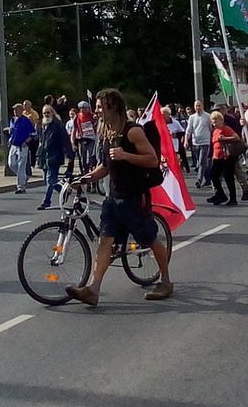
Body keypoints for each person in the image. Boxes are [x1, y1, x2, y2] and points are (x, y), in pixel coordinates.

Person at [63, 89, 175, 306]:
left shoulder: (132, 132)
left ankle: (167, 281)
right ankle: (93, 290)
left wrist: (126, 155)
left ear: (113, 107)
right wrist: (85, 178)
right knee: (104, 241)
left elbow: (152, 160)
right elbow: (106, 166)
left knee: (150, 239)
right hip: (114, 198)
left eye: (99, 106)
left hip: (134, 197)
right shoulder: (106, 131)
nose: (95, 111)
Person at [37, 104, 73, 209]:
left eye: (48, 112)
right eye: (44, 113)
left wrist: (69, 154)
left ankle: (46, 202)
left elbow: (65, 140)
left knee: (50, 179)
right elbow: (42, 142)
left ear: (52, 113)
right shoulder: (43, 125)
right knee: (48, 180)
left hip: (54, 156)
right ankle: (64, 190)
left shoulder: (58, 125)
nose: (46, 114)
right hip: (44, 157)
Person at [208, 110, 245, 206]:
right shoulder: (215, 130)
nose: (214, 123)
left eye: (216, 121)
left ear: (221, 120)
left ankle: (233, 199)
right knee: (213, 175)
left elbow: (236, 137)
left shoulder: (226, 128)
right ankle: (220, 194)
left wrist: (224, 138)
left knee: (228, 177)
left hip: (227, 157)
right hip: (217, 157)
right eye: (213, 121)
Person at [8, 104, 36, 194]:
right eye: (14, 110)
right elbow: (12, 132)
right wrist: (10, 139)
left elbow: (33, 134)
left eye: (17, 109)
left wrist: (26, 142)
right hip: (14, 145)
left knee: (21, 166)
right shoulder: (12, 120)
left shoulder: (26, 120)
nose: (15, 111)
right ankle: (24, 177)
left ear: (21, 110)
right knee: (11, 164)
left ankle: (21, 187)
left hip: (23, 146)